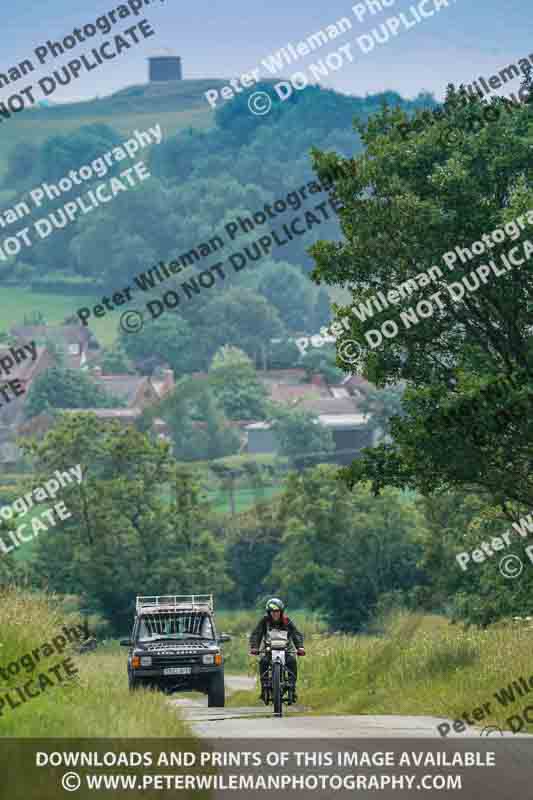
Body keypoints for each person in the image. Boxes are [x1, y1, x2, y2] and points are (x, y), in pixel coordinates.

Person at [249, 598, 305, 703]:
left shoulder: (287, 621)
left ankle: (292, 687)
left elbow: (296, 634)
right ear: (269, 613)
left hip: (286, 651)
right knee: (263, 662)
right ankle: (264, 688)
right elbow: (256, 634)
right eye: (272, 612)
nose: (275, 614)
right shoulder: (264, 622)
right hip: (269, 651)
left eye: (277, 612)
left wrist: (300, 647)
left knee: (292, 662)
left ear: (281, 612)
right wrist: (254, 647)